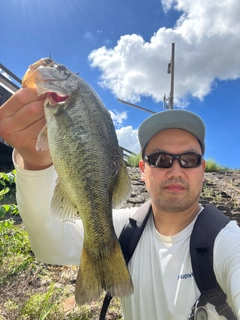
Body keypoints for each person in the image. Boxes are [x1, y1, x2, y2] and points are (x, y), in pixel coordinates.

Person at [0, 88, 240, 320]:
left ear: (203, 170)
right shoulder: (123, 227)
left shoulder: (229, 243)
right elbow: (49, 244)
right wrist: (34, 162)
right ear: (143, 170)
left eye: (189, 159)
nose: (175, 170)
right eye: (161, 159)